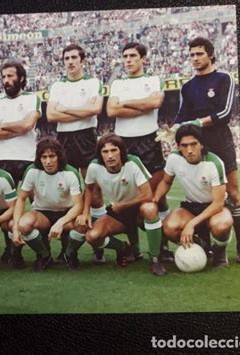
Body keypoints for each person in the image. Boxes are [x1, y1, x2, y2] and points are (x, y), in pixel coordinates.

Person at [173, 37, 240, 264]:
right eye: (192, 55)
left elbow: (225, 114)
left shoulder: (224, 79)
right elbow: (180, 118)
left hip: (221, 143)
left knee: (233, 194)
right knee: (201, 194)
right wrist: (172, 129)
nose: (195, 58)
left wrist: (196, 123)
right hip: (197, 147)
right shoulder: (187, 87)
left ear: (211, 55)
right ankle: (207, 242)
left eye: (199, 54)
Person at [107, 42, 172, 263]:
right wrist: (142, 105)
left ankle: (162, 246)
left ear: (143, 59)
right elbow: (111, 109)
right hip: (123, 142)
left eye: (133, 56)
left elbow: (155, 102)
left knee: (157, 199)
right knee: (129, 198)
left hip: (149, 141)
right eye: (125, 56)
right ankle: (134, 250)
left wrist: (126, 104)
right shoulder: (117, 83)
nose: (128, 60)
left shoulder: (153, 80)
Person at [46, 44, 106, 264]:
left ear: (83, 60)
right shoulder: (57, 85)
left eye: (74, 58)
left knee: (95, 191)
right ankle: (65, 248)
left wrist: (65, 110)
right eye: (66, 58)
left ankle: (98, 244)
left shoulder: (92, 82)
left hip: (86, 137)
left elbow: (94, 110)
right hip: (64, 138)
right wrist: (79, 110)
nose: (70, 62)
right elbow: (51, 115)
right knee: (66, 191)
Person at [80, 134, 166, 276]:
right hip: (118, 212)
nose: (110, 156)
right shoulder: (94, 166)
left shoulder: (132, 162)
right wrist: (85, 212)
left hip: (138, 209)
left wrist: (123, 205)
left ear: (121, 151)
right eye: (105, 152)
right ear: (100, 154)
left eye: (114, 150)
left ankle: (155, 258)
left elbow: (148, 195)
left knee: (150, 208)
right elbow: (89, 188)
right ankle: (124, 248)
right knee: (92, 236)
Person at [153, 124, 233, 268]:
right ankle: (202, 246)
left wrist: (191, 224)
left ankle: (219, 250)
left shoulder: (214, 163)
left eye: (193, 144)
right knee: (169, 227)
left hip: (215, 207)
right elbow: (165, 182)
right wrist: (155, 200)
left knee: (221, 225)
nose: (189, 150)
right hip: (191, 206)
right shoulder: (174, 159)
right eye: (184, 146)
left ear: (201, 144)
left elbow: (218, 203)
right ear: (178, 146)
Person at [0, 61, 41, 267]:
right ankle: (11, 249)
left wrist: (4, 125)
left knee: (37, 205)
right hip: (3, 160)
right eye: (3, 77)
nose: (6, 81)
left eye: (10, 76)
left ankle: (40, 249)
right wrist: (18, 126)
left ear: (21, 78)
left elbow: (28, 125)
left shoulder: (31, 99)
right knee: (6, 209)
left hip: (28, 158)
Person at [12, 137, 84, 271]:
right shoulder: (32, 171)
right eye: (44, 157)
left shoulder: (70, 172)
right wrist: (16, 229)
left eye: (52, 156)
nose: (48, 161)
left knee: (82, 224)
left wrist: (60, 222)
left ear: (59, 156)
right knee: (24, 225)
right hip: (42, 213)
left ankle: (69, 255)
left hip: (66, 214)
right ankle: (44, 256)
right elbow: (21, 199)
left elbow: (78, 205)